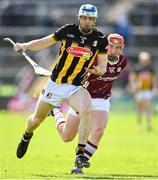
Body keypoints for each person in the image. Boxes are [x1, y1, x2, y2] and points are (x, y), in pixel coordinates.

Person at [14, 4, 109, 168]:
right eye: (84, 18)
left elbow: (103, 66)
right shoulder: (67, 31)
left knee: (87, 109)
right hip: (55, 84)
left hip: (75, 87)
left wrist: (98, 70)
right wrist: (25, 46)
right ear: (79, 18)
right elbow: (44, 42)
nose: (87, 22)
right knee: (36, 120)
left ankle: (80, 154)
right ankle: (26, 135)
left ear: (95, 21)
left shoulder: (100, 40)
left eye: (91, 19)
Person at [50, 33, 127, 174]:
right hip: (82, 98)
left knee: (98, 131)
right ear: (106, 46)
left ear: (122, 49)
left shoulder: (122, 61)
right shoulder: (94, 57)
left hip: (102, 99)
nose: (114, 50)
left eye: (118, 47)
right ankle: (56, 111)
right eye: (111, 46)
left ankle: (78, 165)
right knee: (67, 136)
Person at [128, 52, 157, 131]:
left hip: (147, 90)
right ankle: (139, 124)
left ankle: (149, 123)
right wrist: (133, 86)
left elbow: (154, 79)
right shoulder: (137, 68)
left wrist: (154, 88)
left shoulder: (150, 68)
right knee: (139, 108)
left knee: (148, 108)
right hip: (139, 91)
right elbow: (132, 78)